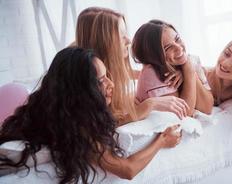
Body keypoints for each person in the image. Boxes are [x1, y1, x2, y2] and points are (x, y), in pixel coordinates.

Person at [0, 47, 181, 183]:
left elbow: (113, 122)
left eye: (107, 76)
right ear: (80, 90)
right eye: (101, 80)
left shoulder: (63, 110)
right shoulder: (78, 126)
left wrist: (150, 104)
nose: (111, 84)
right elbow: (127, 170)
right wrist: (162, 140)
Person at [75, 7, 189, 124]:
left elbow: (129, 74)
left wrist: (178, 70)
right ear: (104, 43)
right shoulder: (83, 79)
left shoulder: (105, 67)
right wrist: (149, 104)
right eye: (121, 36)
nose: (129, 41)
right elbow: (103, 126)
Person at [131, 20, 214, 116]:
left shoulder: (190, 60)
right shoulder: (152, 72)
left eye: (177, 39)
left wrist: (187, 70)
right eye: (167, 48)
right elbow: (183, 113)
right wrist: (189, 70)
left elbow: (207, 107)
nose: (179, 48)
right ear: (153, 56)